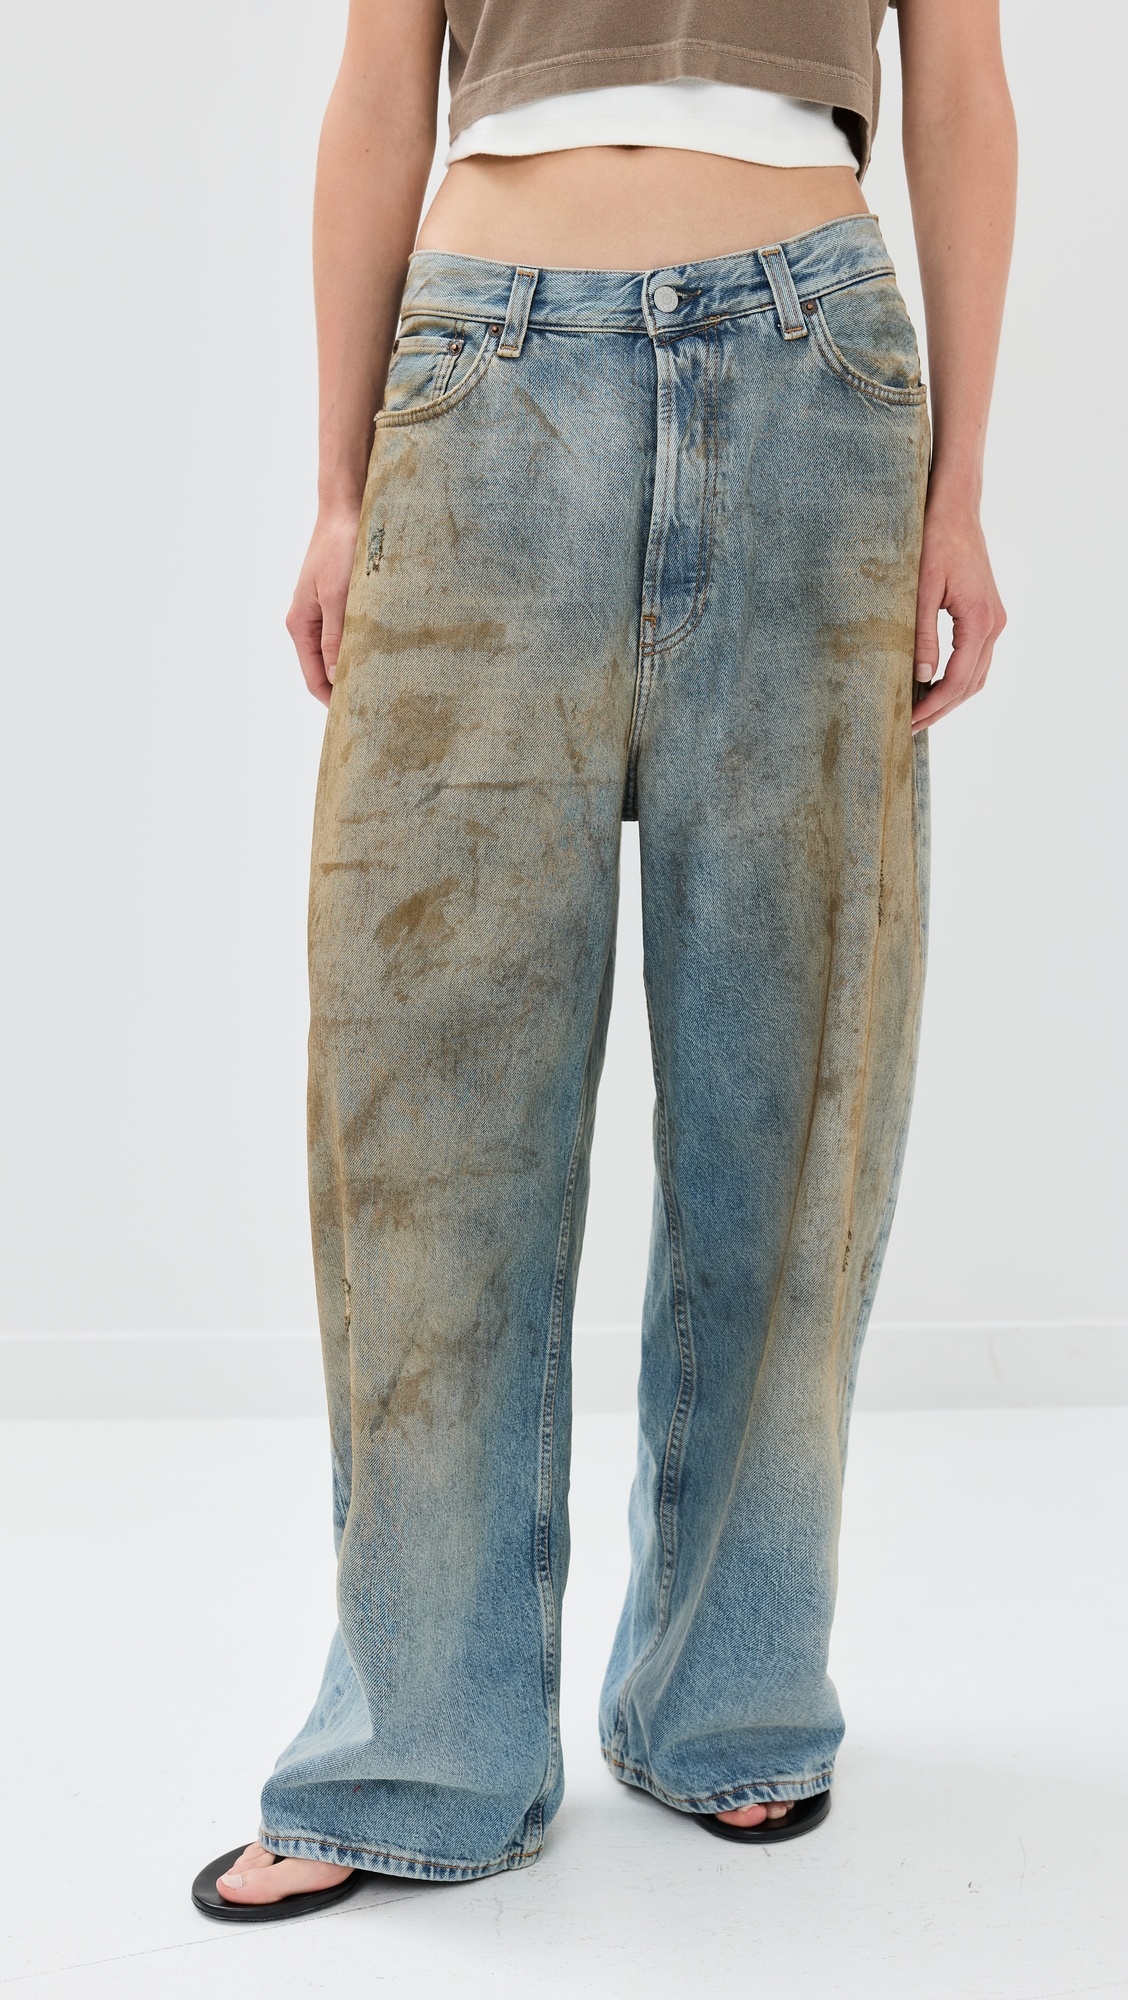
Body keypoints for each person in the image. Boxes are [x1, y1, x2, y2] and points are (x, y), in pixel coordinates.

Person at [190, 0, 1016, 1921]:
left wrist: (961, 490)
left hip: (816, 368)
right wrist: (340, 483)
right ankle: (419, 1744)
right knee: (426, 1103)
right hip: (485, 371)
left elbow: (964, 90)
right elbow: (378, 91)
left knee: (792, 1086)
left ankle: (733, 1698)